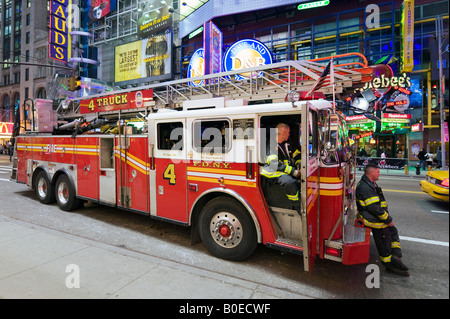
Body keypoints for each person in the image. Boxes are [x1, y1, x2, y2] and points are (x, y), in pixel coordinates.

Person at [355, 164, 409, 277]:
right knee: (384, 239)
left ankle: (395, 257)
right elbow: (375, 209)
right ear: (372, 173)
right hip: (371, 219)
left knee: (392, 231)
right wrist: (388, 220)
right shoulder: (366, 188)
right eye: (378, 172)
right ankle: (388, 264)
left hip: (374, 216)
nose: (379, 174)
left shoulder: (370, 183)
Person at [261, 123, 301, 210]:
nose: (289, 134)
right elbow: (274, 164)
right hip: (273, 174)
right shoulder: (271, 145)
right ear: (283, 133)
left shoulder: (287, 144)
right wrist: (293, 171)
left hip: (284, 171)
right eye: (288, 132)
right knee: (290, 182)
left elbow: (297, 155)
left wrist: (300, 165)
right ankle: (297, 206)